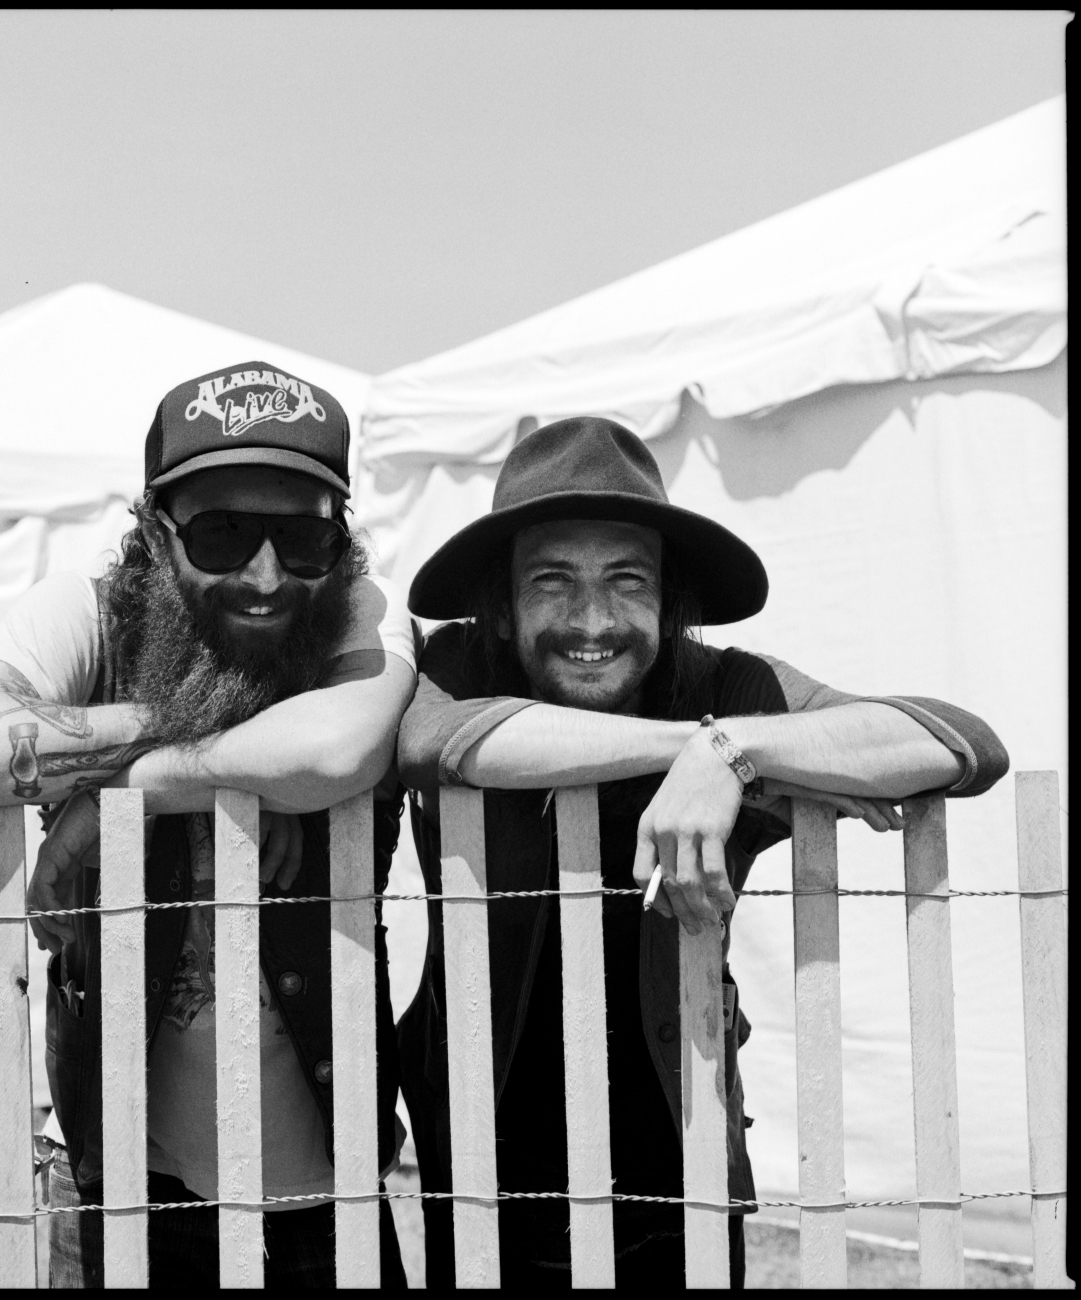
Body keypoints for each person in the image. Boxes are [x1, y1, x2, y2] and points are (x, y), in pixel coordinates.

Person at [394, 417, 1008, 1289]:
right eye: (552, 581)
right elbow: (442, 741)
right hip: (481, 1177)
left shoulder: (726, 684)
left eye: (626, 582)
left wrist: (730, 751)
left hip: (680, 1171)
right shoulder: (457, 662)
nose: (591, 620)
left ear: (667, 597)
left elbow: (957, 744)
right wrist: (705, 748)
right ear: (500, 602)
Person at [0, 362, 417, 1288]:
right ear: (155, 532)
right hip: (120, 1185)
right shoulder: (90, 617)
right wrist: (195, 724)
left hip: (323, 1197)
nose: (267, 575)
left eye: (303, 538)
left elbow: (338, 749)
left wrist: (132, 787)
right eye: (223, 535)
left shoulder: (357, 609)